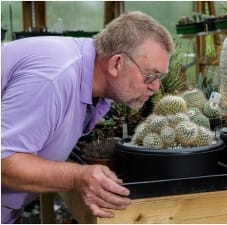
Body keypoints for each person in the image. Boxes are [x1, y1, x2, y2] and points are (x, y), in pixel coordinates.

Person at [1, 11, 174, 223]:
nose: (156, 87)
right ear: (116, 64)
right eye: (151, 75)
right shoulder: (53, 79)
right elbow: (4, 162)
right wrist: (77, 177)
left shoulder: (94, 79)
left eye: (160, 77)